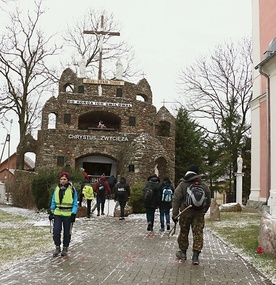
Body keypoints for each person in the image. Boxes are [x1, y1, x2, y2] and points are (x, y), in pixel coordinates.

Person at [172, 165, 211, 265]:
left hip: (185, 212)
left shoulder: (183, 184)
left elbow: (176, 199)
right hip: (198, 214)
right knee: (198, 233)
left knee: (184, 232)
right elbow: (208, 200)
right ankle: (195, 256)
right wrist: (203, 211)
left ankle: (183, 252)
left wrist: (175, 214)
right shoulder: (203, 185)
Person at [48, 172, 78, 257]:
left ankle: (65, 248)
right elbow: (53, 200)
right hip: (57, 213)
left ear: (68, 180)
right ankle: (57, 247)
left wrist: (74, 213)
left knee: (67, 232)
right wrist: (51, 211)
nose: (63, 181)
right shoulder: (56, 189)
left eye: (64, 179)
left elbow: (75, 202)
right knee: (56, 231)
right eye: (61, 179)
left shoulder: (72, 189)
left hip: (68, 214)